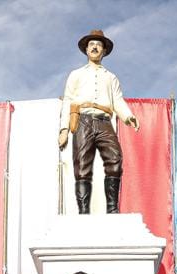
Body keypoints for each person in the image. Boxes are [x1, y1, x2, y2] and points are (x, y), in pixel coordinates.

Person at [58, 29, 139, 214]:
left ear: (104, 51)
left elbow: (118, 100)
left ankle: (112, 210)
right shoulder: (76, 74)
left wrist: (128, 116)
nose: (95, 47)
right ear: (86, 50)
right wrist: (63, 129)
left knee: (115, 159)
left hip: (104, 121)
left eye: (99, 45)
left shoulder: (111, 77)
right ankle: (83, 212)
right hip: (82, 120)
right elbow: (68, 101)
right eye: (92, 44)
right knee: (82, 165)